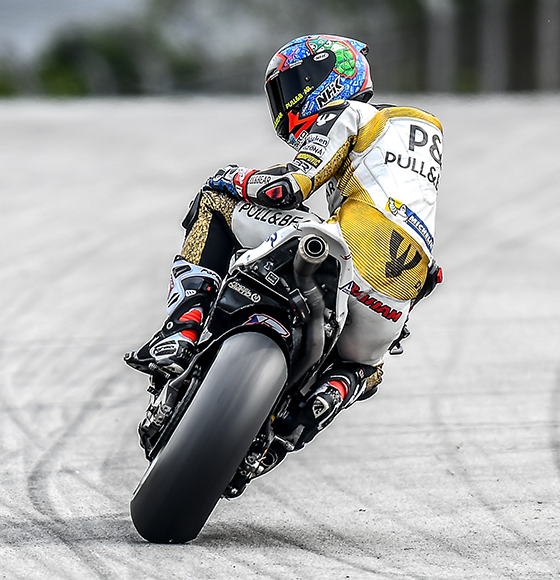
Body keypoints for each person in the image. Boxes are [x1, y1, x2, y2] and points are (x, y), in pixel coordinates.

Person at [125, 34, 443, 452]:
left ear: (333, 76)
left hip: (343, 252)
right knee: (370, 365)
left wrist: (232, 176)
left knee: (214, 201)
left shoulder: (351, 114)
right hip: (393, 300)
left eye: (297, 83)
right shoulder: (418, 135)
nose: (288, 100)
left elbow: (286, 188)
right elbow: (426, 270)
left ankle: (181, 331)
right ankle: (320, 404)